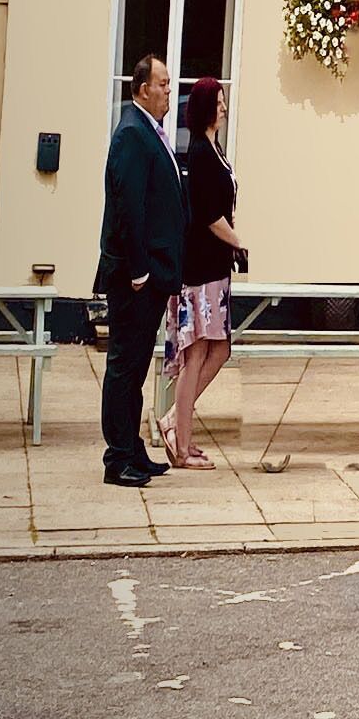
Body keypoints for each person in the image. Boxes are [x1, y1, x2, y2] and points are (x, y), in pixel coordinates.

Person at [95, 56, 186, 488]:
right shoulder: (132, 132)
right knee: (124, 365)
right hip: (135, 277)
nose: (171, 90)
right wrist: (138, 270)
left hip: (149, 273)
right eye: (164, 83)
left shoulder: (150, 130)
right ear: (142, 87)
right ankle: (117, 458)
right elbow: (129, 205)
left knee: (134, 368)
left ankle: (133, 449)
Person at [164, 78, 246, 470]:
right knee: (196, 351)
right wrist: (239, 242)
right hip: (199, 266)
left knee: (220, 348)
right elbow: (208, 215)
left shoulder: (215, 149)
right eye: (219, 101)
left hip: (215, 266)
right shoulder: (198, 152)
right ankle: (181, 444)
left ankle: (174, 424)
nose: (224, 107)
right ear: (205, 108)